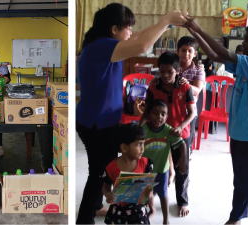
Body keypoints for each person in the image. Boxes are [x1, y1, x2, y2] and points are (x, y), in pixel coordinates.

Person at [76, 3, 188, 223]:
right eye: (127, 28)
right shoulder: (102, 47)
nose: (130, 33)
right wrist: (166, 19)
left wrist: (165, 26)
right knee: (98, 175)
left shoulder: (103, 44)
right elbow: (142, 44)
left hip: (100, 120)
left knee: (102, 169)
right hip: (96, 124)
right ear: (113, 29)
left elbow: (139, 36)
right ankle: (84, 219)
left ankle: (97, 206)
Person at [183, 17, 248, 224]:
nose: (244, 43)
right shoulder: (246, 63)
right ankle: (235, 218)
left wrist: (198, 27)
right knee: (241, 180)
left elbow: (223, 53)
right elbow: (215, 55)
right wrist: (195, 33)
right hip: (238, 134)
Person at [141, 51, 196, 218]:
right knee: (153, 165)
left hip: (180, 134)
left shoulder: (185, 86)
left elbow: (192, 112)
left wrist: (180, 127)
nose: (165, 75)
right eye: (161, 71)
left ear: (178, 71)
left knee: (182, 169)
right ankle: (153, 193)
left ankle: (182, 201)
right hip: (158, 132)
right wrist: (138, 128)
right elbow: (147, 110)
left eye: (170, 72)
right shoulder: (153, 86)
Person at [141, 100, 187, 224]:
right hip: (146, 171)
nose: (159, 117)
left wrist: (184, 157)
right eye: (155, 113)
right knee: (148, 193)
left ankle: (166, 220)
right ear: (149, 114)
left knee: (163, 194)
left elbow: (182, 143)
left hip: (162, 170)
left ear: (167, 117)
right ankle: (152, 210)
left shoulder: (168, 131)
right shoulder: (143, 130)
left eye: (163, 114)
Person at [102, 123, 154, 224]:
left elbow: (148, 185)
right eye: (138, 144)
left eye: (143, 143)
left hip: (138, 210)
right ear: (124, 148)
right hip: (118, 210)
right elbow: (106, 187)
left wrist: (149, 192)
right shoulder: (111, 168)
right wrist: (108, 195)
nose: (143, 148)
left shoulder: (145, 163)